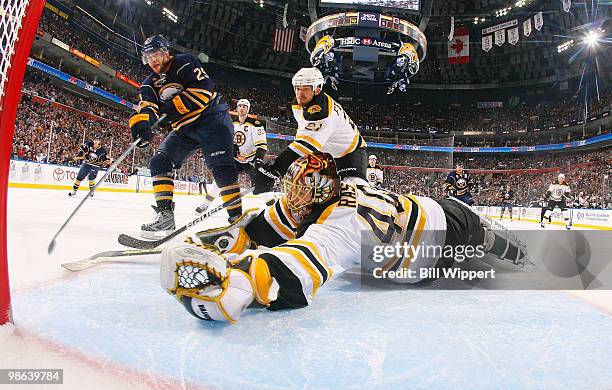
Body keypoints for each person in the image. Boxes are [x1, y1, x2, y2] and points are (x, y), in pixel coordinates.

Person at [160, 153, 529, 323]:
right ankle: (516, 255)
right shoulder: (345, 187)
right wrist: (243, 233)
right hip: (442, 217)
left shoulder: (336, 229)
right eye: (293, 189)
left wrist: (240, 280)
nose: (294, 197)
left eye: (301, 192)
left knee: (482, 252)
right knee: (488, 243)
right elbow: (287, 217)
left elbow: (296, 263)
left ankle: (512, 256)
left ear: (321, 193)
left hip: (428, 261)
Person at [128, 35, 242, 238]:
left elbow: (203, 91)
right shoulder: (148, 84)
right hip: (185, 129)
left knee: (222, 170)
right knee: (159, 162)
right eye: (148, 57)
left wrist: (169, 108)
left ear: (165, 53)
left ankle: (237, 221)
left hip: (212, 120)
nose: (153, 61)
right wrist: (143, 124)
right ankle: (165, 216)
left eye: (156, 55)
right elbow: (148, 107)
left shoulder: (184, 63)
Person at [253, 67, 367, 188]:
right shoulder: (298, 104)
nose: (300, 94)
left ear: (317, 89)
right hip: (324, 154)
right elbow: (303, 135)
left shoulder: (322, 112)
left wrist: (275, 170)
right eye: (297, 88)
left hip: (349, 153)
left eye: (306, 89)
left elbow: (304, 146)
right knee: (311, 193)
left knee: (354, 191)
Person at [195, 98, 272, 213]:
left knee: (261, 185)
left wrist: (258, 160)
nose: (242, 108)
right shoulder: (231, 122)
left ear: (248, 109)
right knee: (220, 179)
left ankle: (272, 207)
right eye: (240, 106)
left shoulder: (256, 124)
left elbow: (262, 145)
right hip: (235, 159)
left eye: (244, 106)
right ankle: (205, 205)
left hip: (251, 159)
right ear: (237, 108)